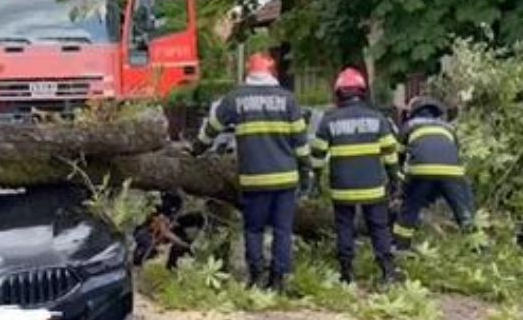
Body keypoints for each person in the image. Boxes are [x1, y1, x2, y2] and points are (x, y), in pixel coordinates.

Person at [193, 53, 311, 292]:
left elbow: (211, 128)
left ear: (250, 73)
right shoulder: (288, 100)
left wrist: (196, 149)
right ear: (273, 73)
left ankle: (256, 276)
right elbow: (301, 142)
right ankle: (278, 280)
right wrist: (306, 173)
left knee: (254, 229)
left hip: (254, 179)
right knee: (282, 230)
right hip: (285, 179)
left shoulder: (235, 98)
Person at [310, 68, 401, 285]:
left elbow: (318, 155)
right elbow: (390, 154)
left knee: (344, 227)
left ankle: (346, 273)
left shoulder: (329, 120)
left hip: (342, 187)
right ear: (362, 92)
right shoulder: (378, 119)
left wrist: (315, 180)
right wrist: (394, 181)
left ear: (339, 93)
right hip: (373, 186)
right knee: (379, 227)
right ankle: (387, 272)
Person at [393, 96, 475, 245]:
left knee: (409, 209)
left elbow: (399, 156)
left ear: (414, 112)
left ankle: (401, 247)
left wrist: (402, 184)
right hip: (452, 172)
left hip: (420, 172)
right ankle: (476, 245)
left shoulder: (409, 125)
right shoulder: (448, 127)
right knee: (463, 212)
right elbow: (454, 150)